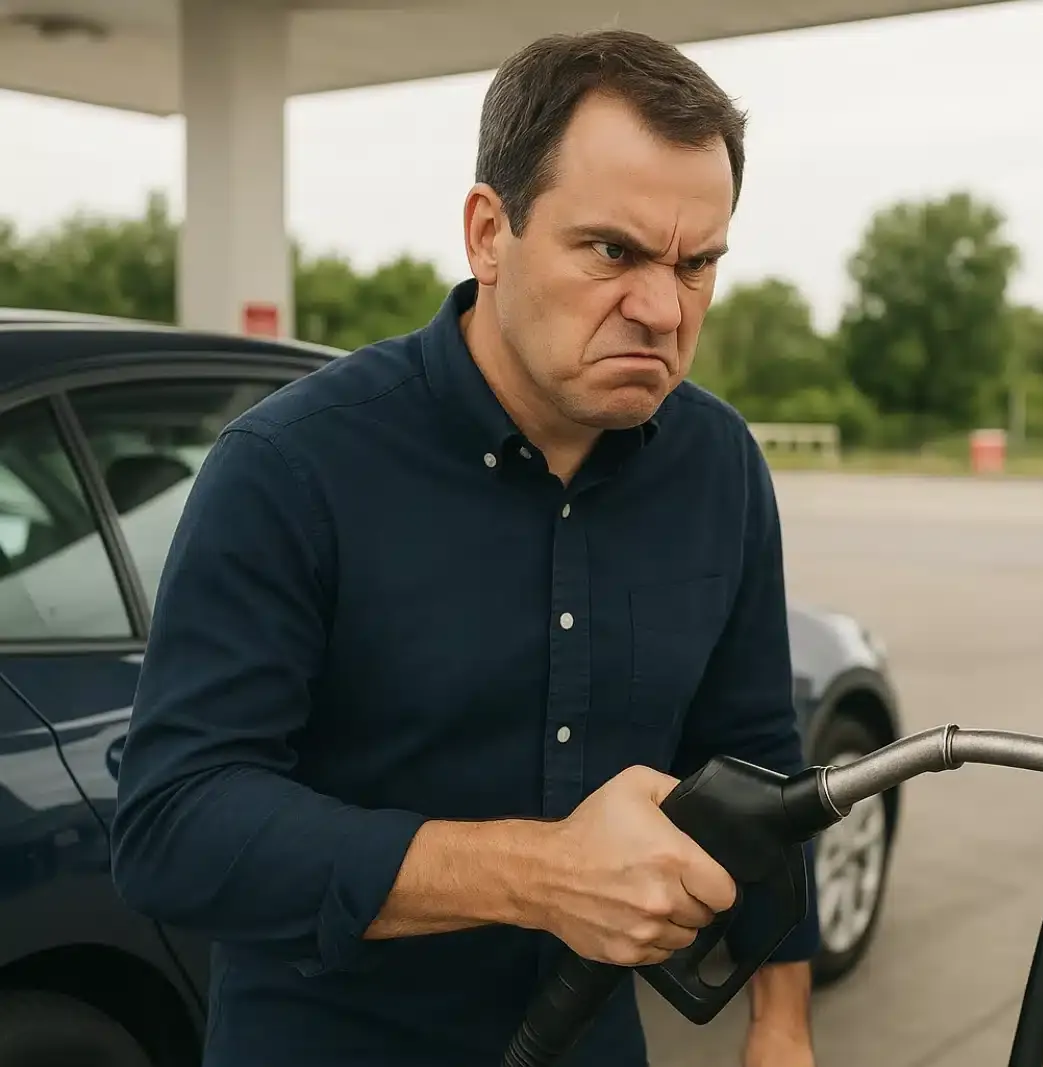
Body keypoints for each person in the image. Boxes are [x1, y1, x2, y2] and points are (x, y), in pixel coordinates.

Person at [107, 28, 820, 1067]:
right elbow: (174, 826)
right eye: (614, 251)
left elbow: (760, 767)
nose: (663, 309)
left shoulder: (718, 465)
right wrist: (542, 873)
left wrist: (784, 1025)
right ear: (489, 231)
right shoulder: (291, 468)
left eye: (697, 262)